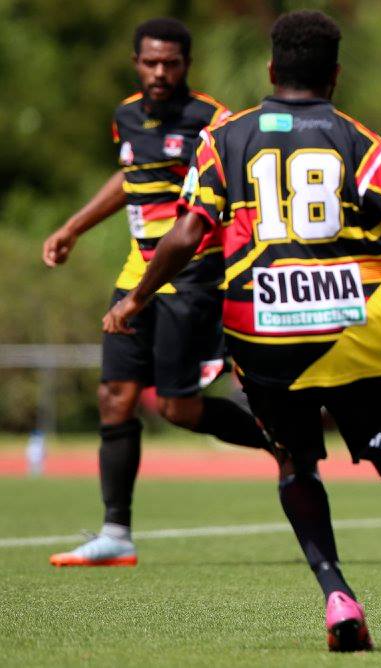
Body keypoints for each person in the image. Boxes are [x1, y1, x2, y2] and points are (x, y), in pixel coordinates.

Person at [103, 10, 381, 651]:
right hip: (356, 332)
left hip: (264, 336)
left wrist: (137, 298)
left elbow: (186, 234)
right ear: (335, 75)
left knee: (295, 464)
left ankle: (337, 596)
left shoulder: (225, 140)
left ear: (271, 69)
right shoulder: (361, 143)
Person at [43, 18, 274, 569]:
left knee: (177, 408)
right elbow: (129, 179)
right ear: (136, 63)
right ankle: (115, 533)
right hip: (135, 273)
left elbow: (239, 195)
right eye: (151, 62)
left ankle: (281, 445)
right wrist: (73, 227)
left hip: (193, 277)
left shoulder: (213, 120)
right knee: (114, 396)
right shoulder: (125, 116)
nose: (160, 72)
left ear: (186, 65)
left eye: (171, 63)